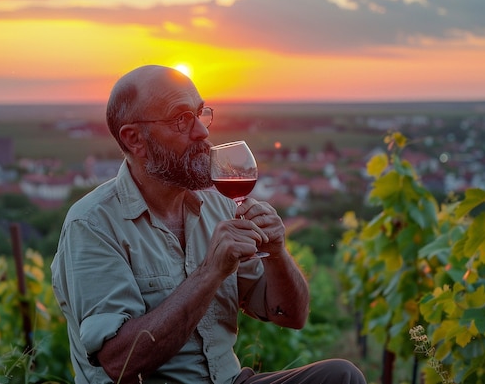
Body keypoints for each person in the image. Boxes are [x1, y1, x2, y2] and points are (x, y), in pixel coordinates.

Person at [51, 65, 367, 384]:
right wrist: (211, 270)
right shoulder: (91, 224)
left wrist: (277, 252)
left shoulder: (219, 203)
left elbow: (290, 315)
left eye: (200, 114)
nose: (202, 132)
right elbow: (120, 362)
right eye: (181, 119)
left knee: (341, 376)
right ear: (135, 139)